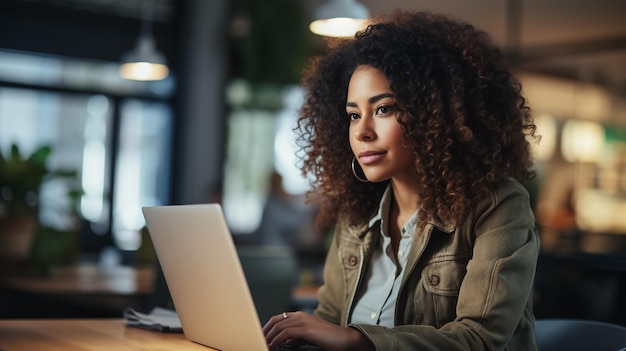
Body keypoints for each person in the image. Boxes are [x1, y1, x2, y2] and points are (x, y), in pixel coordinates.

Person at [263, 10, 540, 351]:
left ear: (432, 114)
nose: (362, 131)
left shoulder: (497, 206)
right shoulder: (356, 213)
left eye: (383, 109)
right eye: (353, 115)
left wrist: (355, 340)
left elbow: (478, 340)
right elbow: (329, 319)